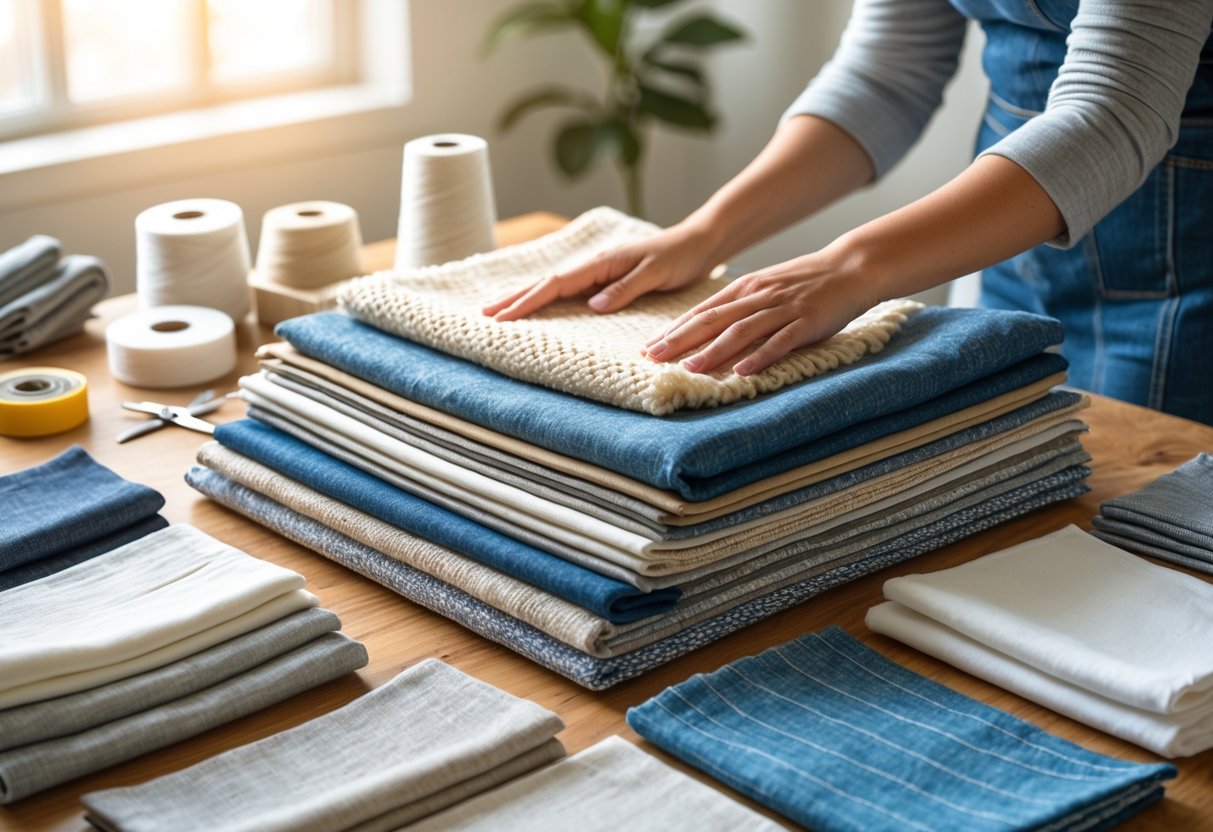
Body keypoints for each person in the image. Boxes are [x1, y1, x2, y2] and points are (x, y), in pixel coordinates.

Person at [483, 0, 1213, 426]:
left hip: (1188, 279)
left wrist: (853, 267)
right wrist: (706, 233)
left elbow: (1114, 115)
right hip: (999, 245)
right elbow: (885, 77)